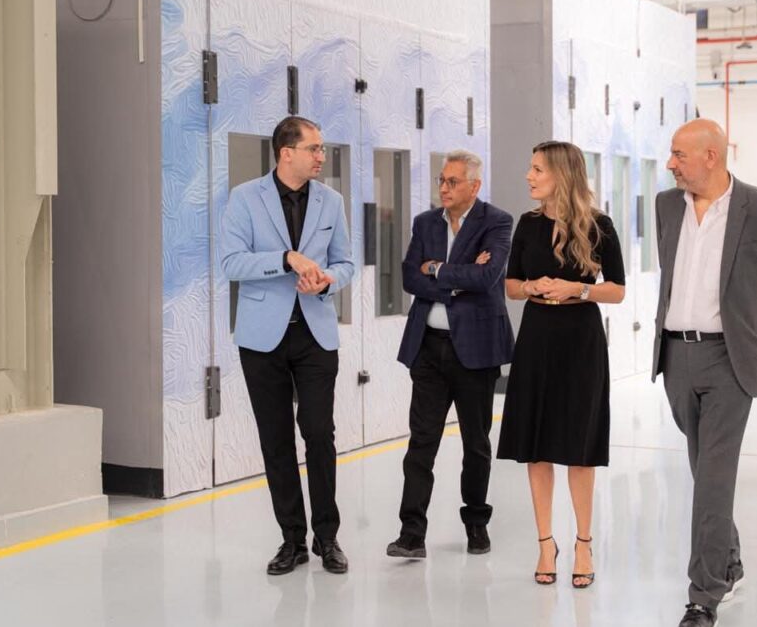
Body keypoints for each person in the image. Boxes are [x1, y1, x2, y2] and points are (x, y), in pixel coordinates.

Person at [653, 119, 757, 627]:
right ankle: (729, 561)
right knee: (704, 472)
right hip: (676, 356)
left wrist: (748, 334)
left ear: (710, 156)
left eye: (679, 155)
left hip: (729, 359)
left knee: (713, 477)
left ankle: (703, 595)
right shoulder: (667, 206)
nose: (671, 164)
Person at [220, 116, 355, 575]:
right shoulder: (244, 198)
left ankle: (327, 537)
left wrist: (327, 280)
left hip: (316, 334)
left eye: (322, 148)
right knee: (275, 439)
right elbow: (231, 263)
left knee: (319, 433)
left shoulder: (332, 201)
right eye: (314, 148)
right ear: (286, 153)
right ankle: (292, 540)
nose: (321, 156)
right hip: (262, 338)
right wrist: (285, 259)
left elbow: (346, 263)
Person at [497, 141, 625, 590]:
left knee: (579, 446)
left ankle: (584, 544)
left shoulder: (599, 225)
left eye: (537, 170)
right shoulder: (527, 224)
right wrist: (532, 286)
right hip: (537, 338)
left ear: (562, 174)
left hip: (580, 340)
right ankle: (545, 543)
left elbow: (617, 290)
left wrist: (577, 289)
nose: (528, 177)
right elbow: (511, 285)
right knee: (536, 445)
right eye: (530, 168)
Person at [386, 150, 514, 559]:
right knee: (421, 443)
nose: (444, 187)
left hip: (476, 350)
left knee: (476, 443)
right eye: (441, 180)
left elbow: (487, 276)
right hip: (428, 348)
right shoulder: (425, 223)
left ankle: (476, 524)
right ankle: (411, 534)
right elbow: (409, 277)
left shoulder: (497, 221)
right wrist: (458, 280)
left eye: (452, 181)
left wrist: (437, 269)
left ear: (474, 186)